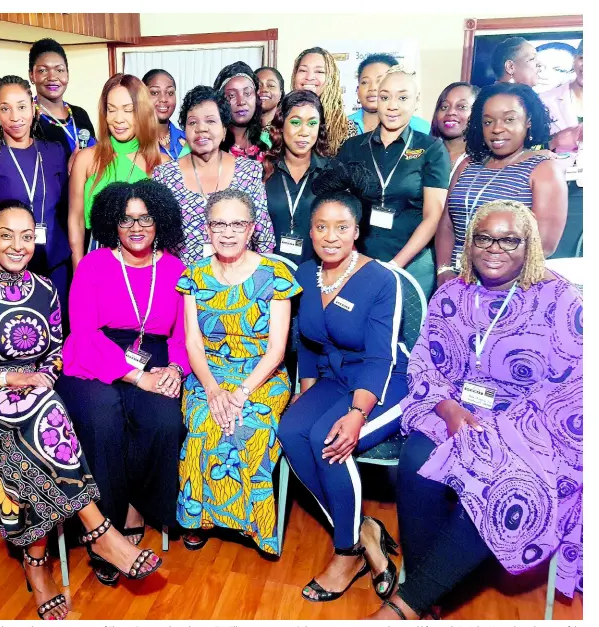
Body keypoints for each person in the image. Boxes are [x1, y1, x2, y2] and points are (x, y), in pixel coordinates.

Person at [0, 200, 163, 619]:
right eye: (6, 235)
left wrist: (38, 383)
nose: (18, 245)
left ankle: (37, 567)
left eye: (26, 236)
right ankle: (99, 529)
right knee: (42, 423)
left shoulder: (44, 290)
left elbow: (56, 353)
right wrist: (7, 380)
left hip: (29, 401)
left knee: (29, 437)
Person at [369, 200, 582, 620]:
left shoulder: (558, 298)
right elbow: (425, 362)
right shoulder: (453, 291)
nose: (494, 248)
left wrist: (508, 428)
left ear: (529, 245)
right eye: (484, 238)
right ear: (470, 243)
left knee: (510, 483)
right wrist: (447, 407)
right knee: (416, 461)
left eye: (508, 240)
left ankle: (409, 603)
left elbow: (573, 383)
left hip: (531, 420)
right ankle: (432, 588)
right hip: (454, 403)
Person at [278, 163, 408, 603]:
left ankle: (346, 552)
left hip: (386, 386)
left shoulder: (380, 279)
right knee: (292, 431)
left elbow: (381, 356)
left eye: (341, 227)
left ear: (357, 231)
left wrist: (357, 415)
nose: (330, 236)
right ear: (310, 231)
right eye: (321, 227)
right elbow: (309, 339)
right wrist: (306, 385)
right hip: (333, 377)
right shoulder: (304, 273)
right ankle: (363, 528)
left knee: (329, 440)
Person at [57, 180, 187, 585]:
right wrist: (138, 377)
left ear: (159, 221)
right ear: (112, 223)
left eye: (145, 218)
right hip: (94, 353)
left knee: (164, 421)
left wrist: (175, 370)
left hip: (157, 354)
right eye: (126, 219)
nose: (136, 227)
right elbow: (83, 331)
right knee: (102, 417)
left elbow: (184, 334)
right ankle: (104, 530)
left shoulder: (176, 268)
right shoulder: (94, 265)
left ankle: (136, 507)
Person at [175, 188, 301, 554]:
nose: (227, 232)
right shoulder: (193, 275)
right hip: (209, 373)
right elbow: (193, 345)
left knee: (250, 427)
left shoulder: (275, 274)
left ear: (252, 229)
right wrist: (214, 391)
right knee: (203, 424)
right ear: (207, 229)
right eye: (218, 224)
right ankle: (198, 518)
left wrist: (241, 393)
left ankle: (255, 527)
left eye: (237, 224)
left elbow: (277, 351)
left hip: (261, 374)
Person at [435, 83, 566, 286]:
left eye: (509, 119)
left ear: (528, 120)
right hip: (455, 282)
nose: (496, 129)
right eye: (488, 122)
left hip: (508, 286)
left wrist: (493, 275)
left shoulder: (543, 169)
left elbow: (544, 245)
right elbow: (446, 223)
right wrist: (444, 270)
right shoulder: (468, 164)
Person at [337, 68, 451, 297]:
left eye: (403, 97)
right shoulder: (352, 147)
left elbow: (433, 216)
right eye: (385, 96)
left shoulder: (431, 148)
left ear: (416, 101)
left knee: (406, 330)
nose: (392, 106)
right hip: (360, 259)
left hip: (412, 263)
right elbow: (339, 207)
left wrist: (395, 266)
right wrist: (353, 256)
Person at [0, 75, 71, 328]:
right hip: (9, 262)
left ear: (33, 107)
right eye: (5, 108)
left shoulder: (54, 151)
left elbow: (65, 207)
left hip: (55, 260)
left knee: (57, 332)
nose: (15, 116)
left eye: (21, 106)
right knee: (16, 333)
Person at [153, 85, 275, 265]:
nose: (201, 129)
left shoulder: (248, 171)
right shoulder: (164, 175)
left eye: (210, 121)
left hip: (238, 282)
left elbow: (263, 236)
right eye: (192, 122)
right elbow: (156, 242)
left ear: (225, 129)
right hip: (183, 282)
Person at [68, 73, 163, 268]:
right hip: (97, 257)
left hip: (146, 261)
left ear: (143, 112)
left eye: (128, 110)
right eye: (111, 110)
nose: (118, 119)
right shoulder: (86, 159)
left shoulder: (161, 162)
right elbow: (75, 219)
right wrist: (79, 268)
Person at [264, 89, 337, 267]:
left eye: (312, 123)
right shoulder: (262, 170)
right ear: (281, 125)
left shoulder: (333, 172)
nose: (304, 132)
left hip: (318, 274)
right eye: (296, 122)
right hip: (269, 274)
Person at [541, 40, 582, 259]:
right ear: (575, 59)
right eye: (583, 57)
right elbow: (529, 149)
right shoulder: (545, 100)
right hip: (559, 191)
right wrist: (554, 141)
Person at [30, 37, 97, 163]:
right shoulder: (29, 119)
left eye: (59, 70)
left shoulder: (80, 114)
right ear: (31, 75)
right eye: (43, 70)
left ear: (67, 74)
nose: (52, 77)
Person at [290, 47, 357, 152]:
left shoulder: (344, 128)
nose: (309, 77)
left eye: (319, 71)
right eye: (303, 70)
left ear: (331, 78)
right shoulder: (278, 121)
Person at [348, 54, 431, 135]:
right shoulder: (342, 126)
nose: (372, 87)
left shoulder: (421, 128)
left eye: (380, 81)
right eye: (365, 82)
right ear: (357, 90)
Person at [213, 61, 271, 161]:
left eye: (247, 93)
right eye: (232, 95)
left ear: (256, 97)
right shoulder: (206, 140)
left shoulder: (269, 142)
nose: (241, 102)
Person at [430, 81, 480, 179]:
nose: (451, 112)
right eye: (444, 107)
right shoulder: (424, 153)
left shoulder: (485, 160)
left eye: (462, 107)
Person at [142, 68, 190, 159]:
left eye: (170, 93)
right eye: (155, 93)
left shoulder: (188, 141)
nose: (163, 99)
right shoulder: (134, 143)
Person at [256, 66, 285, 133]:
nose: (264, 90)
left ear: (280, 93)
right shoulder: (242, 130)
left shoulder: (286, 129)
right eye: (258, 86)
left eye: (271, 85)